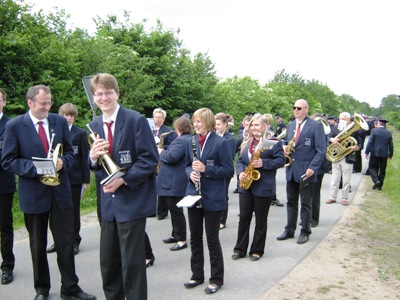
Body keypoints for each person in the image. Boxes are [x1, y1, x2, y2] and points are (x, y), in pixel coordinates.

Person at [1, 85, 96, 300]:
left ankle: (70, 288)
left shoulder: (59, 121)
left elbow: (71, 153)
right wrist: (38, 169)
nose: (47, 107)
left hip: (60, 192)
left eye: (49, 102)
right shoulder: (15, 125)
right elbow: (8, 160)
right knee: (37, 244)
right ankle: (41, 289)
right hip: (34, 193)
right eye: (43, 103)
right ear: (30, 103)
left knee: (65, 241)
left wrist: (63, 162)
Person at [88, 73, 158, 300]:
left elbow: (149, 159)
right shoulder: (94, 125)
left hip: (131, 201)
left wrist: (124, 179)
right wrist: (91, 158)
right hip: (108, 205)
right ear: (94, 96)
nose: (104, 97)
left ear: (116, 93)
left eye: (108, 92)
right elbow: (98, 168)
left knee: (132, 265)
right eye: (99, 93)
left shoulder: (135, 120)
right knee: (108, 264)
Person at [183, 108, 234, 294]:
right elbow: (187, 165)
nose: (195, 125)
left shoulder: (221, 143)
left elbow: (229, 171)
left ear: (209, 122)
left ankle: (216, 279)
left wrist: (206, 169)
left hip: (213, 197)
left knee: (212, 239)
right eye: (194, 121)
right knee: (195, 237)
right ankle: (197, 275)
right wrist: (191, 174)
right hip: (194, 195)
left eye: (199, 121)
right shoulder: (191, 141)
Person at [233, 114, 285, 261]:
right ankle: (239, 249)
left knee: (261, 220)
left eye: (257, 125)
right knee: (244, 217)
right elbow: (240, 161)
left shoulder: (272, 142)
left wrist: (264, 163)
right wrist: (240, 173)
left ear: (264, 126)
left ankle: (257, 250)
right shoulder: (247, 141)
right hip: (246, 185)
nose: (254, 128)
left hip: (263, 186)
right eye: (251, 125)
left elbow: (281, 161)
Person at [276, 99, 326, 245]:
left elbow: (321, 150)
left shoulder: (316, 126)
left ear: (306, 109)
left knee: (305, 203)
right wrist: (284, 148)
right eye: (294, 108)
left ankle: (305, 231)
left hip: (306, 171)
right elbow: (288, 143)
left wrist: (312, 168)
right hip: (291, 169)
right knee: (291, 201)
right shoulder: (291, 125)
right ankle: (289, 230)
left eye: (299, 108)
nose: (296, 110)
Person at [47, 103, 90, 255]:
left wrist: (86, 180)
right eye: (66, 115)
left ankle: (74, 240)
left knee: (73, 212)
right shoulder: (54, 131)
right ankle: (59, 241)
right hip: (57, 178)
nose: (69, 118)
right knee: (56, 212)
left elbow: (84, 158)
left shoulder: (79, 133)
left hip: (74, 179)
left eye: (71, 115)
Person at [157, 116, 193, 251]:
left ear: (179, 127)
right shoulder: (189, 139)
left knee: (175, 210)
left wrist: (161, 152)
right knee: (174, 209)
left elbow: (171, 157)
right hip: (178, 179)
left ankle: (182, 240)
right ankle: (175, 234)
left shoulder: (181, 141)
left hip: (174, 181)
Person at [326, 112, 362, 206]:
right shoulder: (336, 127)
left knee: (346, 179)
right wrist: (332, 140)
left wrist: (357, 147)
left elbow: (360, 143)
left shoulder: (355, 130)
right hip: (336, 156)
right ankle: (332, 197)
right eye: (340, 118)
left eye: (343, 119)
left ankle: (344, 198)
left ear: (348, 119)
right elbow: (328, 137)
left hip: (347, 157)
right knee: (335, 178)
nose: (340, 120)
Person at [0, 88, 16, 285]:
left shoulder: (11, 125)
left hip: (3, 184)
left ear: (4, 102)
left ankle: (7, 266)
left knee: (4, 226)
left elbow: (10, 156)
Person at [153, 107, 176, 220]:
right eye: (156, 117)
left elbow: (172, 146)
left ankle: (162, 211)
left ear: (164, 118)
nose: (157, 119)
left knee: (161, 185)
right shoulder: (150, 129)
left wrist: (160, 147)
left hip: (162, 160)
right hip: (151, 160)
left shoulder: (169, 131)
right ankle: (151, 209)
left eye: (160, 117)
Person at [215, 112, 236, 229]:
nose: (216, 127)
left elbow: (231, 156)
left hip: (224, 170)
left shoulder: (230, 139)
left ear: (225, 124)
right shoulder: (214, 136)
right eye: (215, 124)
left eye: (218, 124)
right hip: (215, 169)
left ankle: (222, 220)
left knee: (223, 195)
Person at [365, 118, 393, 190]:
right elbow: (391, 145)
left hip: (375, 153)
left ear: (378, 124)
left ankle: (376, 180)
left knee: (372, 167)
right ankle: (380, 185)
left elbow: (370, 142)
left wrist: (367, 152)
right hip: (384, 153)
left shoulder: (374, 131)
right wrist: (390, 154)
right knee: (382, 169)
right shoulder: (388, 132)